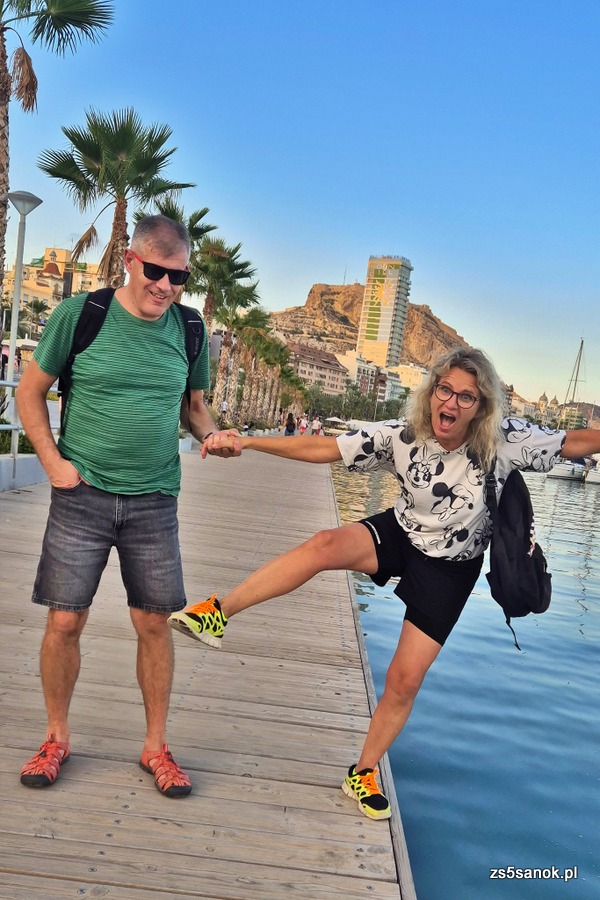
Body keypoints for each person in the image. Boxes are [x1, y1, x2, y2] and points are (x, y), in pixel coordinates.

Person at [168, 346, 600, 820]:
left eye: (466, 397)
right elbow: (325, 449)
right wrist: (249, 443)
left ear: (481, 407)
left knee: (403, 680)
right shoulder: (403, 434)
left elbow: (574, 442)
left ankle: (363, 772)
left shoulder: (503, 441)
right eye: (445, 390)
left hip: (451, 567)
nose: (452, 403)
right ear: (431, 392)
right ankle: (218, 612)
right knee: (325, 543)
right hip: (401, 532)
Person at [15, 214, 234, 798]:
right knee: (65, 620)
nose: (166, 286)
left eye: (179, 276)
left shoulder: (190, 328)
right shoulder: (80, 315)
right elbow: (29, 393)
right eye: (157, 272)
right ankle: (56, 738)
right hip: (80, 495)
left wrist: (212, 433)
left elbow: (194, 408)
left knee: (154, 623)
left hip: (154, 500)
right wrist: (52, 463)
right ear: (130, 262)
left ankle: (156, 747)